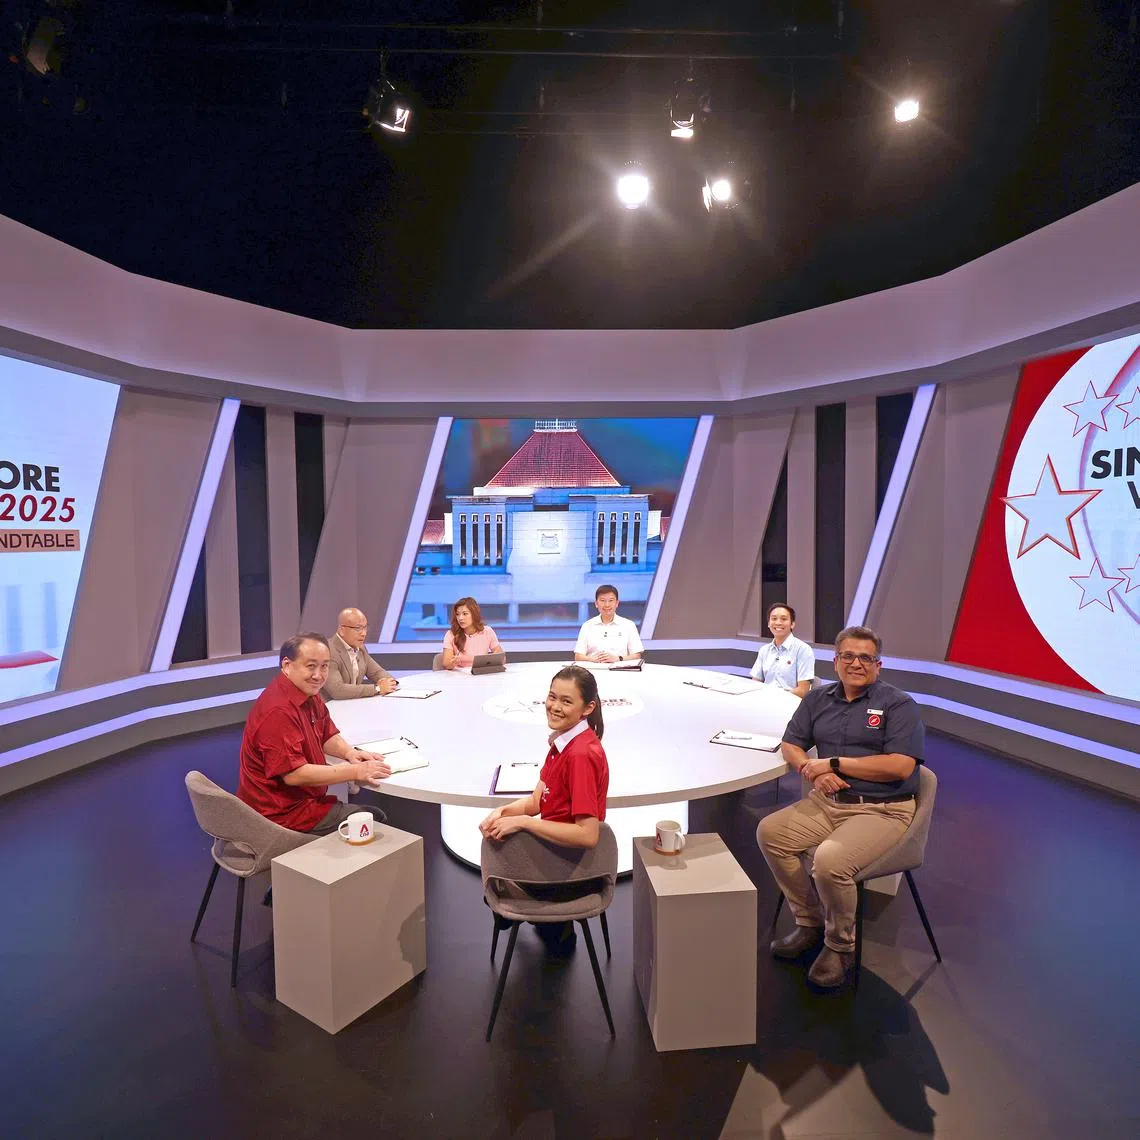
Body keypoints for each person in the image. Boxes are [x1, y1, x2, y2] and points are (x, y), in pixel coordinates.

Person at [757, 625, 924, 989]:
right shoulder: (818, 700)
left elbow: (901, 766)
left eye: (866, 658)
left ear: (878, 665)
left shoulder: (899, 705)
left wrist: (833, 764)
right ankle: (810, 921)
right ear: (835, 661)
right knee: (771, 833)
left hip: (883, 808)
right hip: (828, 802)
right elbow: (791, 743)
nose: (856, 663)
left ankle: (840, 946)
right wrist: (808, 770)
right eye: (848, 656)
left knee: (829, 862)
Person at [479, 665, 609, 953]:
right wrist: (503, 812)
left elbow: (588, 836)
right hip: (554, 850)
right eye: (552, 697)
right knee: (495, 833)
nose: (554, 707)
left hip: (570, 868)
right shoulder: (562, 743)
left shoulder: (580, 755)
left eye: (566, 701)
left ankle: (542, 920)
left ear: (587, 708)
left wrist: (524, 824)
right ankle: (550, 926)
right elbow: (535, 802)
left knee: (493, 858)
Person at [238, 633, 392, 835]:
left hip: (298, 802)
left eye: (325, 666)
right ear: (287, 665)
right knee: (375, 820)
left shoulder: (308, 693)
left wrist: (349, 753)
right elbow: (294, 775)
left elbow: (325, 733)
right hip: (281, 814)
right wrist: (355, 772)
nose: (319, 675)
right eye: (311, 666)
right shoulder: (278, 711)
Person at [322, 607, 398, 700]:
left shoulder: (361, 648)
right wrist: (377, 688)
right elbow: (338, 690)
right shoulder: (328, 651)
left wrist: (388, 682)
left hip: (351, 705)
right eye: (358, 628)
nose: (363, 633)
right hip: (329, 708)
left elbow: (377, 672)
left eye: (365, 628)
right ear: (342, 630)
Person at [750, 602, 815, 698]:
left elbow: (803, 691)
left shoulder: (803, 650)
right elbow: (755, 683)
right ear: (768, 624)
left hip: (789, 704)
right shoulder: (764, 650)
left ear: (792, 624)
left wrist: (776, 698)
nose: (778, 623)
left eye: (783, 619)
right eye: (774, 619)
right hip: (764, 702)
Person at [574, 584, 643, 663]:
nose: (607, 605)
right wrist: (593, 659)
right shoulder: (587, 626)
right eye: (602, 600)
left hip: (620, 671)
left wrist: (618, 658)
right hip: (593, 671)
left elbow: (637, 655)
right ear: (596, 603)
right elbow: (578, 656)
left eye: (611, 601)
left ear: (617, 603)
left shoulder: (629, 625)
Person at [441, 597, 503, 669]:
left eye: (465, 614)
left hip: (481, 674)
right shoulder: (451, 634)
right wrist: (452, 663)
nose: (460, 618)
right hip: (459, 677)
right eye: (457, 614)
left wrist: (497, 655)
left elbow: (502, 659)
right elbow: (446, 664)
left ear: (474, 614)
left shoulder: (487, 631)